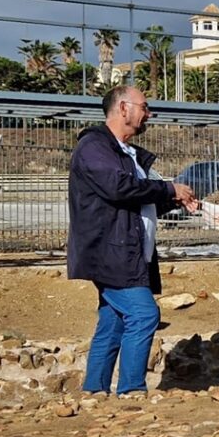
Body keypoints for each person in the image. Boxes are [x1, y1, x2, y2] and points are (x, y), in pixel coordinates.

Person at [67, 86, 198, 396]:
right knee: (144, 314)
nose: (149, 113)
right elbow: (118, 188)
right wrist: (168, 189)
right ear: (123, 108)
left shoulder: (127, 153)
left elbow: (137, 201)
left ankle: (94, 391)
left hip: (130, 251)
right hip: (111, 251)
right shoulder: (94, 147)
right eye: (145, 106)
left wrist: (172, 201)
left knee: (113, 321)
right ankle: (131, 390)